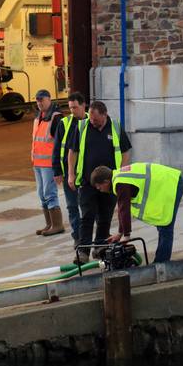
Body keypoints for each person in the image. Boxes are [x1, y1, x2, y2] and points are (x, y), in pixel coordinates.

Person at [67, 101, 132, 263]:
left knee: (105, 216)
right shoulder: (82, 127)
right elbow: (72, 152)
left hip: (110, 183)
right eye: (92, 120)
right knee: (87, 216)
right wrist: (71, 174)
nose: (93, 122)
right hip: (87, 183)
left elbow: (125, 152)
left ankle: (100, 247)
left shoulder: (115, 127)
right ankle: (83, 252)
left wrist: (121, 173)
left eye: (96, 120)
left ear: (104, 114)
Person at [90, 163, 183, 263]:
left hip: (172, 183)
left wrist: (126, 236)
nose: (99, 190)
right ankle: (160, 262)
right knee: (163, 227)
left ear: (106, 182)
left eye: (99, 187)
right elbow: (122, 209)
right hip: (167, 182)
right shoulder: (119, 178)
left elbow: (124, 209)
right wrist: (119, 233)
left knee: (166, 227)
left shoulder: (120, 183)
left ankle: (161, 263)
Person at [52, 91, 88, 247]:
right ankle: (78, 237)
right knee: (72, 206)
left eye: (75, 107)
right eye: (70, 108)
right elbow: (56, 148)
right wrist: (57, 171)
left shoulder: (91, 121)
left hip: (87, 173)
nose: (72, 111)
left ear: (83, 105)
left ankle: (89, 237)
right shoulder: (65, 123)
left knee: (88, 207)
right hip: (69, 173)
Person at [32, 89, 65, 236]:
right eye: (37, 100)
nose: (39, 103)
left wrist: (58, 165)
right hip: (38, 163)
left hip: (49, 164)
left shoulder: (56, 118)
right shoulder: (38, 116)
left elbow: (60, 144)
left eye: (42, 100)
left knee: (49, 193)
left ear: (49, 99)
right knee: (41, 193)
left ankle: (57, 225)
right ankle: (49, 224)